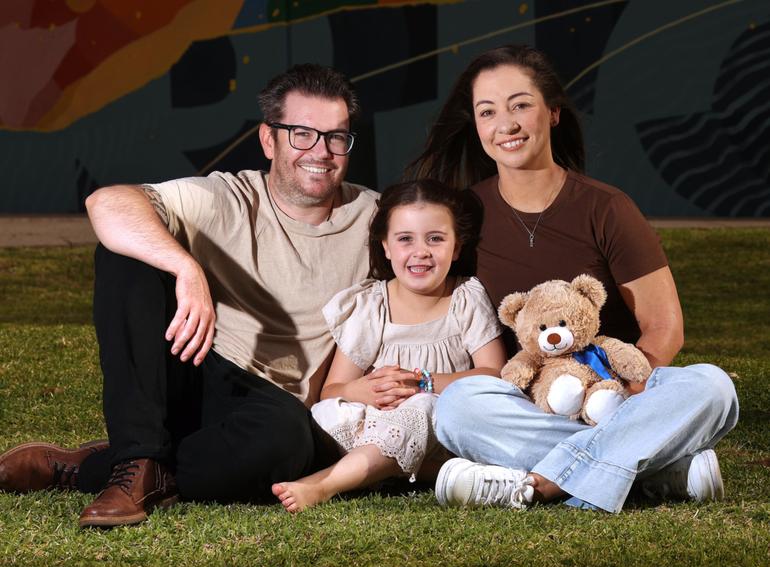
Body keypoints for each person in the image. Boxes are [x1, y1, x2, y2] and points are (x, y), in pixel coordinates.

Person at [0, 64, 380, 527]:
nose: (320, 151)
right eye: (302, 134)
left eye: (335, 136)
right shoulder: (229, 197)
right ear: (269, 140)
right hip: (196, 364)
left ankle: (107, 468)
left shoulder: (376, 220)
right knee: (126, 255)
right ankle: (140, 456)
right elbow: (108, 203)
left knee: (285, 440)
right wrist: (185, 267)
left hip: (272, 412)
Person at [406, 44, 739, 513]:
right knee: (461, 405)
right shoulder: (465, 214)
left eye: (521, 104)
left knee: (712, 387)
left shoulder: (607, 208)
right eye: (488, 111)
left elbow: (665, 327)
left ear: (553, 112)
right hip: (530, 404)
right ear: (476, 125)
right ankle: (653, 469)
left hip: (617, 397)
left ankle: (545, 483)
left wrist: (624, 388)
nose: (507, 124)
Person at [271, 179, 507, 512]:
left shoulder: (465, 297)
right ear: (385, 247)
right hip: (377, 419)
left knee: (422, 406)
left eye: (436, 239)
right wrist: (364, 390)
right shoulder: (372, 304)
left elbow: (495, 375)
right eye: (405, 239)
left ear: (456, 248)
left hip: (436, 422)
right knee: (325, 413)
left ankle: (326, 483)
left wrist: (422, 383)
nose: (420, 251)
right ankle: (404, 471)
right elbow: (331, 389)